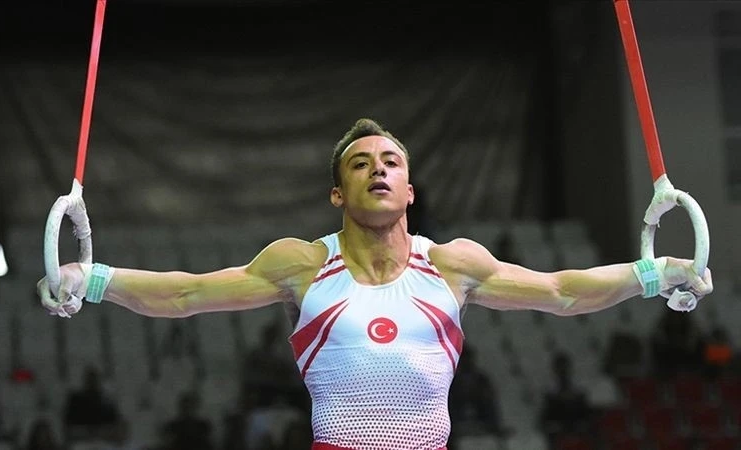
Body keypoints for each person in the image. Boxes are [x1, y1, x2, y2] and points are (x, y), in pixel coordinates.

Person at [37, 118, 713, 450]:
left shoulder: (453, 264)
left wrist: (657, 274)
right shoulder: (301, 264)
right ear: (338, 193)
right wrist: (92, 279)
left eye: (391, 162)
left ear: (410, 189)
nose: (378, 170)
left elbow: (562, 291)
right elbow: (186, 294)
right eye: (360, 164)